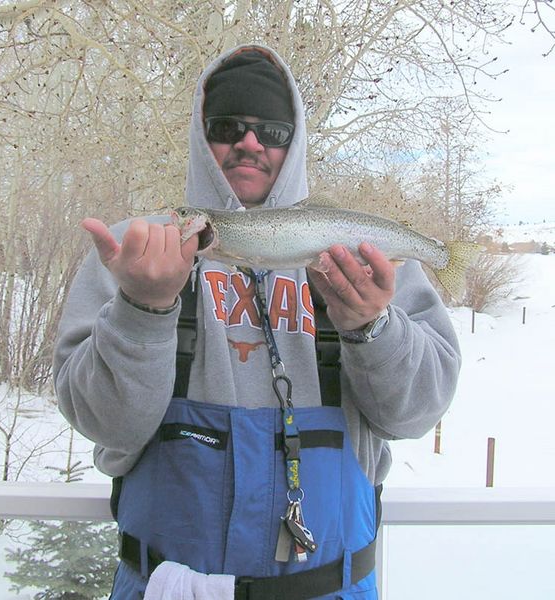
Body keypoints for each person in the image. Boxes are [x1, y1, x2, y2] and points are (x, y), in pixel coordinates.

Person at [53, 44, 461, 599]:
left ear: (294, 145)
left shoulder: (359, 260)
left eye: (271, 131)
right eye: (228, 126)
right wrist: (142, 310)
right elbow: (104, 425)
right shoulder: (136, 252)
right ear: (201, 136)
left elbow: (418, 413)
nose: (249, 143)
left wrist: (371, 326)